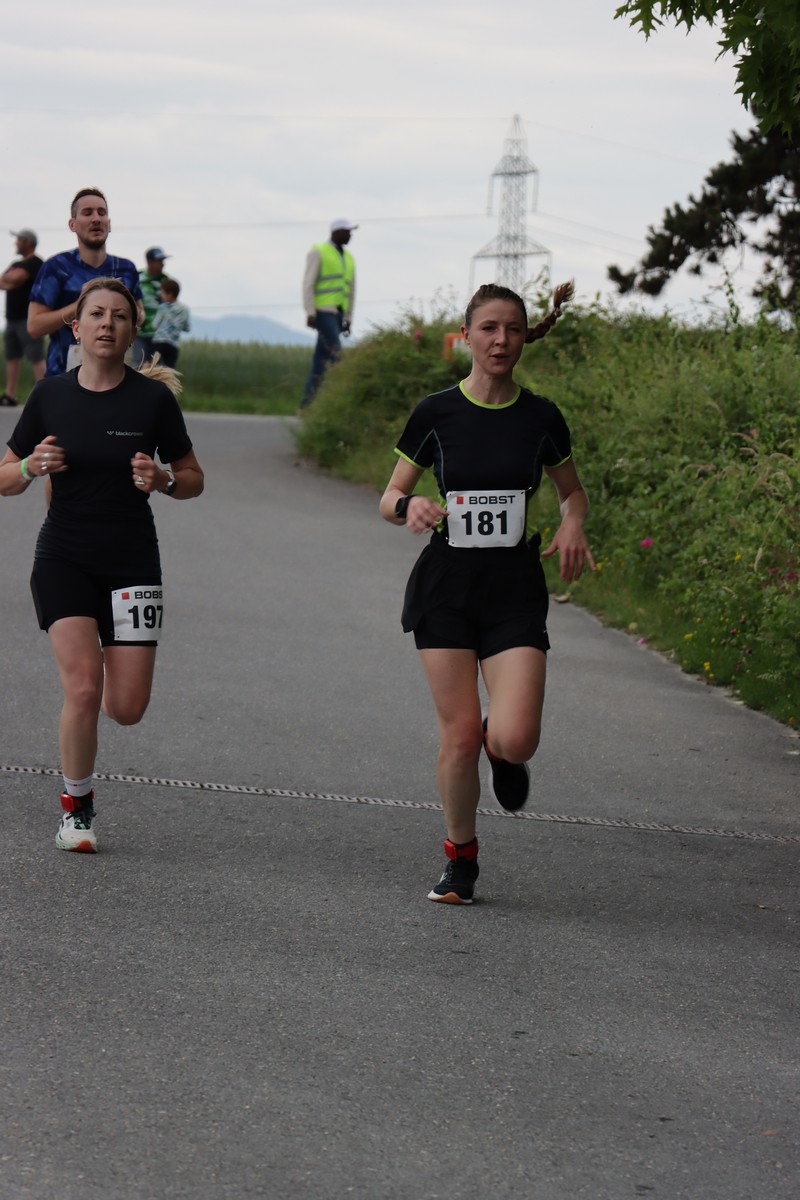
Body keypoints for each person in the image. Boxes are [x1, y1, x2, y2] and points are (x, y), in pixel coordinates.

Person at [379, 281, 595, 905]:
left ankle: (504, 756)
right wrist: (412, 506)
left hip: (513, 590)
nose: (501, 340)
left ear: (526, 338)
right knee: (459, 735)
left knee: (515, 737)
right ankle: (461, 860)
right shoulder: (436, 413)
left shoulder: (541, 417)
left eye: (513, 329)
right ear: (467, 336)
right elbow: (389, 497)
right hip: (446, 587)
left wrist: (573, 522)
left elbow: (573, 492)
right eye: (489, 329)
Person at [0, 278, 204, 853]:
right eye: (96, 314)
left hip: (132, 562)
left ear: (133, 330)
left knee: (127, 708)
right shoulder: (50, 396)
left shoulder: (152, 401)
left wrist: (163, 480)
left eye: (119, 316)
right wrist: (32, 466)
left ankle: (111, 686)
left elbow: (194, 479)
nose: (107, 324)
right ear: (77, 327)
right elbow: (5, 478)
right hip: (63, 557)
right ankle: (77, 812)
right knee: (84, 689)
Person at [28, 187, 143, 377]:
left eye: (102, 213)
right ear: (72, 224)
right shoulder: (56, 268)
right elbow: (34, 327)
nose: (96, 219)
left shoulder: (126, 269)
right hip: (63, 378)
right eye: (87, 213)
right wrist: (82, 304)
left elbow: (140, 316)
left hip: (115, 378)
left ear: (109, 224)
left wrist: (124, 309)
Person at [300, 218, 357, 410]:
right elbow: (308, 283)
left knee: (321, 361)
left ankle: (307, 406)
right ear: (336, 232)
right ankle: (337, 404)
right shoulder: (319, 251)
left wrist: (349, 318)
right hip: (323, 312)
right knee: (336, 354)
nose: (350, 235)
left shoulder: (349, 258)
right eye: (347, 231)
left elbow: (351, 291)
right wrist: (310, 312)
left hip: (339, 314)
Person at [0, 229, 45, 405]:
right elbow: (3, 282)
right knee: (12, 356)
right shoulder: (15, 263)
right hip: (11, 318)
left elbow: (16, 279)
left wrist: (11, 280)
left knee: (35, 356)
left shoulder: (36, 263)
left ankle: (44, 394)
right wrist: (10, 281)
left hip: (29, 319)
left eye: (19, 240)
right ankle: (10, 395)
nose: (16, 243)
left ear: (28, 242)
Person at [134, 246, 170, 364]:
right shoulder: (138, 278)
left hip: (160, 335)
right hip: (141, 332)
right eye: (159, 261)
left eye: (163, 261)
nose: (162, 264)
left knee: (159, 368)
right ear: (150, 261)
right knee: (138, 366)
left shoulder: (165, 281)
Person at [151, 278, 191, 369]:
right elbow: (187, 328)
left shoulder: (163, 307)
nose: (161, 296)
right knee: (169, 372)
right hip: (173, 345)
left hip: (159, 342)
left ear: (170, 294)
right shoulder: (184, 309)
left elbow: (155, 325)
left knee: (155, 370)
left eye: (163, 293)